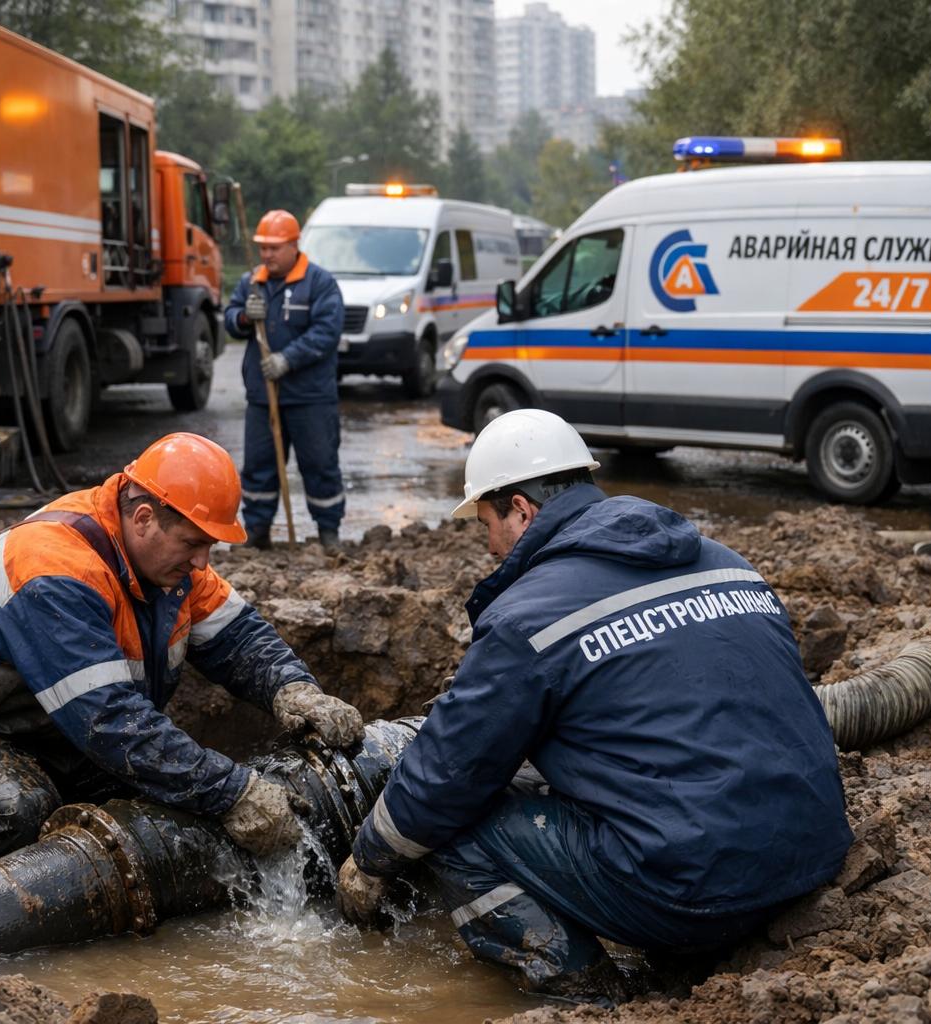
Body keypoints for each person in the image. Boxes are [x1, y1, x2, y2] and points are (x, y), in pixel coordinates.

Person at [334, 409, 853, 1002]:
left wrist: (371, 857)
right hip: (812, 859)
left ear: (522, 509)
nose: (489, 548)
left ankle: (587, 991)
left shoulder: (528, 618)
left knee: (449, 824)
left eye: (487, 524)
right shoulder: (731, 565)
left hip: (697, 894)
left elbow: (446, 774)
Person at [0, 433, 364, 872]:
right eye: (194, 543)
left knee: (148, 795)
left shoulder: (166, 562)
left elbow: (237, 637)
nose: (202, 562)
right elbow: (109, 721)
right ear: (144, 517)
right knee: (17, 811)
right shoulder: (55, 570)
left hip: (38, 725)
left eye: (210, 546)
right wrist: (232, 791)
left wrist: (294, 689)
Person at [223, 210, 346, 549]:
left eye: (275, 248)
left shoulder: (319, 283)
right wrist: (245, 316)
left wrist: (287, 359)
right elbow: (229, 319)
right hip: (263, 396)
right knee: (259, 468)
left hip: (310, 397)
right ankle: (258, 531)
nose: (267, 255)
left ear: (294, 245)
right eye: (263, 248)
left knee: (320, 465)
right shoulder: (252, 283)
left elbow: (326, 332)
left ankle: (328, 532)